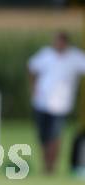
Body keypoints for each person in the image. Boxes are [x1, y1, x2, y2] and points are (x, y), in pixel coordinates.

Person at [28, 31, 85, 174]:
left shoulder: (75, 57)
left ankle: (51, 167)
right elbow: (31, 68)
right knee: (42, 137)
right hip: (41, 102)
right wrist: (33, 89)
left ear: (66, 43)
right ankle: (45, 164)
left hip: (61, 105)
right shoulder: (46, 54)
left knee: (55, 136)